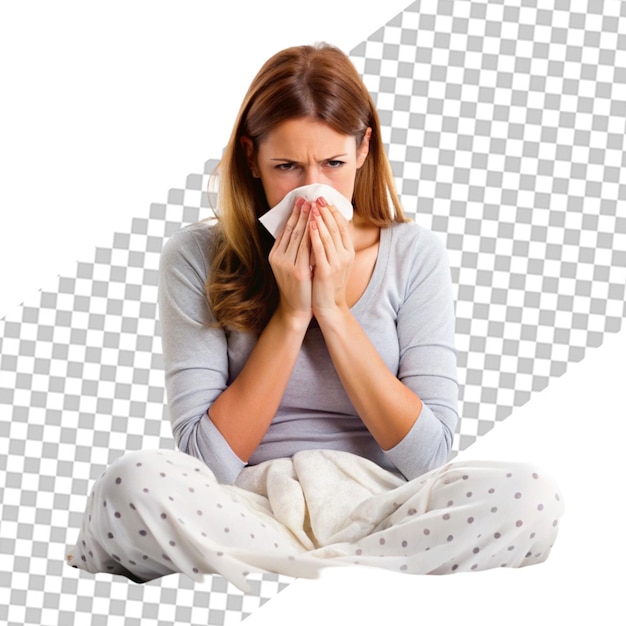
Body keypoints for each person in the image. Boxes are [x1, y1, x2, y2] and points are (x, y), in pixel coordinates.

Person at [67, 43, 563, 592]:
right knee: (133, 483)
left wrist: (332, 310)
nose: (313, 192)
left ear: (364, 149)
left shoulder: (412, 252)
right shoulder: (194, 256)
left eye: (333, 164)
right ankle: (350, 576)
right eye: (287, 167)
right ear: (251, 158)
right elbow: (204, 463)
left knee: (530, 496)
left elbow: (430, 457)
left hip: (380, 507)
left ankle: (288, 574)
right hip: (244, 506)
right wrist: (292, 312)